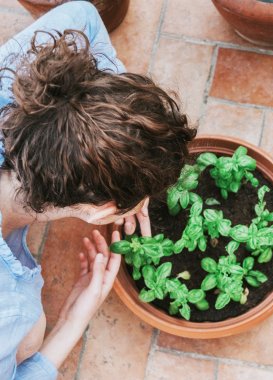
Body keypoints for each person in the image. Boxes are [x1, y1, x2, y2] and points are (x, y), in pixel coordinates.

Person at [0, 2, 195, 379]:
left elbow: (84, 15)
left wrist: (111, 134)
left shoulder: (13, 79)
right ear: (99, 213)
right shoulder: (8, 308)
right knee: (29, 335)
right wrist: (74, 319)